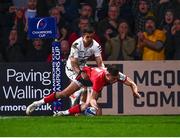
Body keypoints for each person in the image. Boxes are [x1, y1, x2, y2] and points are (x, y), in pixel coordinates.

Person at [26, 64, 141, 115]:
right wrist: (96, 107)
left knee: (86, 106)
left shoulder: (117, 75)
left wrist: (134, 91)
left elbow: (131, 83)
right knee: (64, 94)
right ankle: (37, 103)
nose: (115, 80)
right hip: (85, 77)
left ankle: (62, 113)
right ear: (107, 74)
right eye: (113, 78)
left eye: (116, 78)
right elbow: (93, 99)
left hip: (92, 80)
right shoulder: (99, 79)